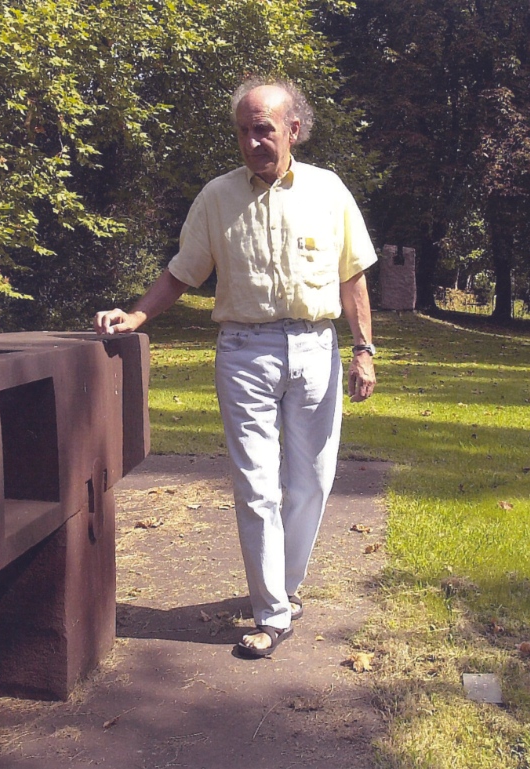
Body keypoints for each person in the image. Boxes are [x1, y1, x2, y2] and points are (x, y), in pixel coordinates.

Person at [94, 77, 377, 659]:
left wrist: (364, 349)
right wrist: (137, 315)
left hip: (315, 347)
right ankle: (271, 613)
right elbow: (182, 271)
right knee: (256, 484)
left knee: (313, 482)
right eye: (244, 131)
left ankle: (286, 588)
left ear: (293, 129)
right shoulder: (217, 197)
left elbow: (353, 275)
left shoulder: (328, 191)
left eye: (264, 129)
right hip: (244, 350)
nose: (252, 141)